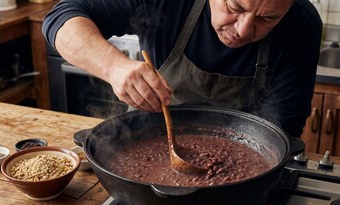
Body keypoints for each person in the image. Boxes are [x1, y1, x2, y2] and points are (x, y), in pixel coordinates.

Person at [42, 0, 322, 137]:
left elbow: (284, 129)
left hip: (242, 174)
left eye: (267, 19)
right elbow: (60, 18)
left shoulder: (301, 23)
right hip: (140, 143)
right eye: (235, 6)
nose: (243, 29)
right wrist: (114, 67)